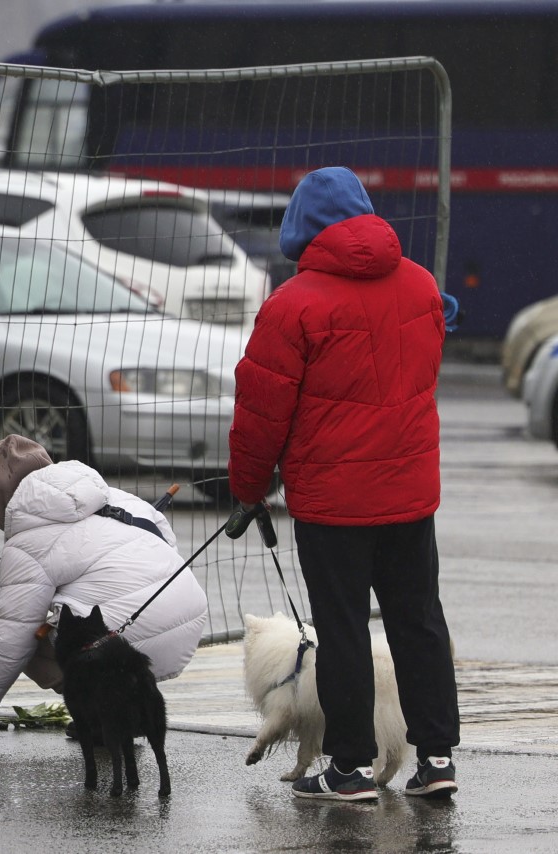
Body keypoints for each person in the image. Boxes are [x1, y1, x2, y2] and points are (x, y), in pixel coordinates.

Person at [227, 166, 460, 801]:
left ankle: (350, 766)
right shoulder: (420, 285)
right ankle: (437, 760)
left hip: (334, 506)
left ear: (302, 228)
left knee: (345, 629)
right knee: (419, 621)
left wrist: (248, 487)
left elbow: (261, 411)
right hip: (411, 494)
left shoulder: (293, 304)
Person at [0, 434, 207, 729]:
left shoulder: (27, 541)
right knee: (76, 616)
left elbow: (12, 638)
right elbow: (166, 545)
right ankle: (131, 708)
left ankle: (100, 717)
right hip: (188, 616)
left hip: (126, 638)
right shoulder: (114, 496)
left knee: (34, 641)